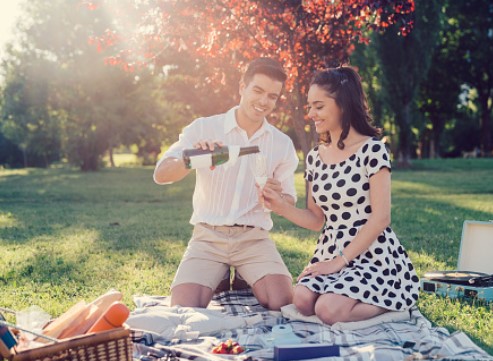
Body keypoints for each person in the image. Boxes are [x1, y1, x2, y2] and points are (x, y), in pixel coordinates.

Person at [262, 66, 420, 324]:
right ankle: (351, 300)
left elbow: (381, 218)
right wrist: (281, 207)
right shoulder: (314, 157)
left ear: (343, 105)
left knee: (327, 310)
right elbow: (316, 219)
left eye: (319, 106)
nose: (311, 114)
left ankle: (395, 302)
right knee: (301, 301)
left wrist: (339, 262)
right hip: (330, 250)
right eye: (310, 107)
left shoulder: (373, 150)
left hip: (370, 254)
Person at [154, 57, 299, 310]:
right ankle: (219, 274)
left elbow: (289, 200)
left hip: (253, 238)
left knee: (281, 302)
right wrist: (193, 159)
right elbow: (161, 174)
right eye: (258, 91)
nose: (264, 101)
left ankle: (245, 274)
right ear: (242, 87)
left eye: (272, 96)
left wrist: (278, 198)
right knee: (183, 307)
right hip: (208, 236)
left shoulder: (281, 144)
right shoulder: (204, 128)